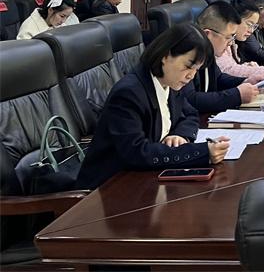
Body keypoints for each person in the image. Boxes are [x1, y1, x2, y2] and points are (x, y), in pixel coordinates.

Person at [75, 23, 230, 190]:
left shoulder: (169, 82)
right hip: (109, 188)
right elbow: (137, 153)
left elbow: (190, 114)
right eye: (187, 67)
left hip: (145, 179)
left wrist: (180, 135)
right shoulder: (129, 93)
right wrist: (202, 152)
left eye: (196, 70)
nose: (191, 76)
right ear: (165, 56)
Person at [180, 1, 259, 113]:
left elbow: (218, 78)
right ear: (207, 34)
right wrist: (236, 95)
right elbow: (190, 99)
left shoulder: (208, 51)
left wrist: (246, 81)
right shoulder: (185, 53)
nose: (230, 43)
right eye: (228, 37)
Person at [220, 0, 264, 81]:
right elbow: (228, 70)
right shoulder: (220, 40)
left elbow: (233, 66)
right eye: (249, 24)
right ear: (234, 20)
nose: (251, 31)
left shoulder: (233, 41)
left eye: (254, 26)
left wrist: (247, 66)